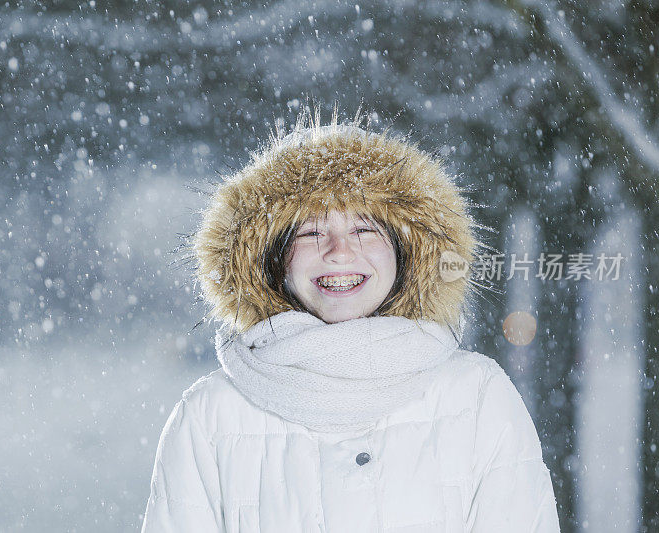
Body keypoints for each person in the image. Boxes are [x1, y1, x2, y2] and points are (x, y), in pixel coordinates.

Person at [140, 111, 561, 532]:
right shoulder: (209, 417)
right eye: (309, 233)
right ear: (270, 259)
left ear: (407, 252)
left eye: (364, 229)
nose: (339, 251)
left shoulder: (478, 397)